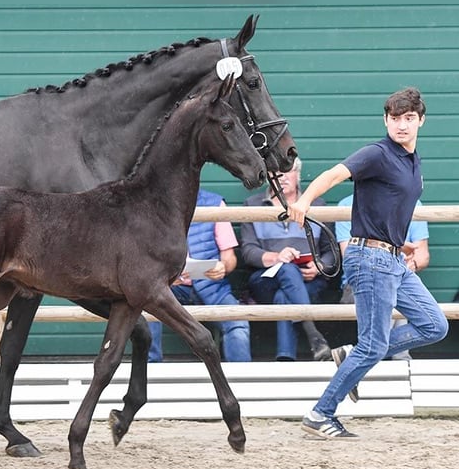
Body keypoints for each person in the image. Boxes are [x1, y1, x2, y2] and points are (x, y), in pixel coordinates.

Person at [288, 87, 448, 438]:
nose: (401, 125)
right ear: (385, 120)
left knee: (435, 325)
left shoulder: (411, 160)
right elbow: (334, 175)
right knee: (374, 345)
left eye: (408, 119)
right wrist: (304, 202)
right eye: (394, 118)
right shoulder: (377, 153)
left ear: (421, 120)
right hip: (370, 259)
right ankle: (320, 413)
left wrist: (400, 243)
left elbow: (389, 205)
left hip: (394, 258)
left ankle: (350, 354)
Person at [240, 157, 335, 361]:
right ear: (268, 177)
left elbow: (331, 252)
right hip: (265, 280)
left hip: (309, 281)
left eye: (287, 171)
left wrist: (319, 266)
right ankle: (314, 336)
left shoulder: (317, 206)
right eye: (275, 173)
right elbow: (248, 251)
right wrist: (276, 257)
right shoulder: (252, 205)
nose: (281, 177)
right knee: (286, 268)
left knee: (284, 297)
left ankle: (285, 359)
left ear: (297, 175)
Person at [148, 189, 251, 363]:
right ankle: (149, 372)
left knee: (238, 323)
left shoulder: (215, 204)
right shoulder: (152, 206)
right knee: (146, 313)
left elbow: (230, 258)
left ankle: (238, 381)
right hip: (170, 289)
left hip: (212, 287)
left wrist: (223, 267)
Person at [336, 193, 430, 362]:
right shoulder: (347, 204)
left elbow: (422, 256)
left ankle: (357, 357)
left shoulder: (412, 201)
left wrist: (405, 266)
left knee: (395, 285)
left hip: (401, 275)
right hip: (361, 279)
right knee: (388, 284)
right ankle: (399, 359)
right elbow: (349, 254)